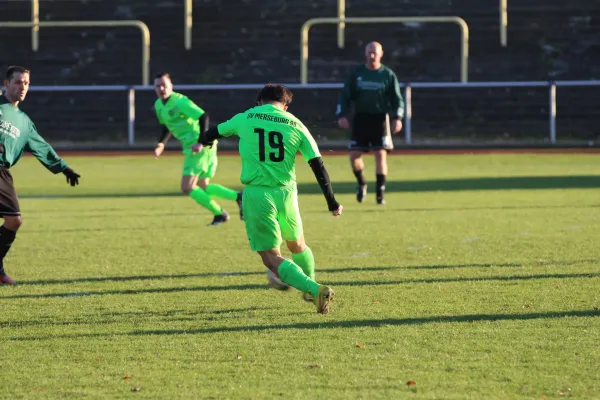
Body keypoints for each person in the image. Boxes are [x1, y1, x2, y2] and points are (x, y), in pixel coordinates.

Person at [193, 84, 343, 315]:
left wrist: (206, 141)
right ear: (285, 105)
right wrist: (331, 201)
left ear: (259, 101)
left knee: (272, 258)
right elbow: (317, 165)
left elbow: (211, 132)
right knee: (297, 245)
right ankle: (309, 288)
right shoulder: (295, 123)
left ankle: (314, 288)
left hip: (258, 195)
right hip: (287, 194)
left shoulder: (246, 117)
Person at [0, 66, 81, 285]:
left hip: (2, 173)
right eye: (18, 82)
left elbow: (42, 148)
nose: (23, 86)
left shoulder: (24, 122)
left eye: (26, 83)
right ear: (5, 84)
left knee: (14, 220)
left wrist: (64, 168)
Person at [153, 72, 242, 226]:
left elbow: (203, 116)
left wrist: (201, 141)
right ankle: (238, 198)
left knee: (187, 187)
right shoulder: (159, 105)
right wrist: (161, 144)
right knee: (202, 186)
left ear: (171, 86)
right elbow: (166, 125)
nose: (161, 88)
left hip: (199, 146)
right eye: (157, 85)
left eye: (164, 85)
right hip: (195, 146)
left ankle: (220, 213)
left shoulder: (179, 101)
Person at [336, 41, 405, 205]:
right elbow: (345, 96)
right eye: (369, 52)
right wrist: (342, 115)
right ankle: (361, 183)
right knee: (354, 156)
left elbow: (397, 99)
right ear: (365, 54)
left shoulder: (387, 75)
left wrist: (398, 118)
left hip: (380, 119)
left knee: (381, 154)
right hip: (360, 118)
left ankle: (380, 193)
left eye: (375, 52)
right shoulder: (356, 74)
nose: (372, 55)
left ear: (381, 54)